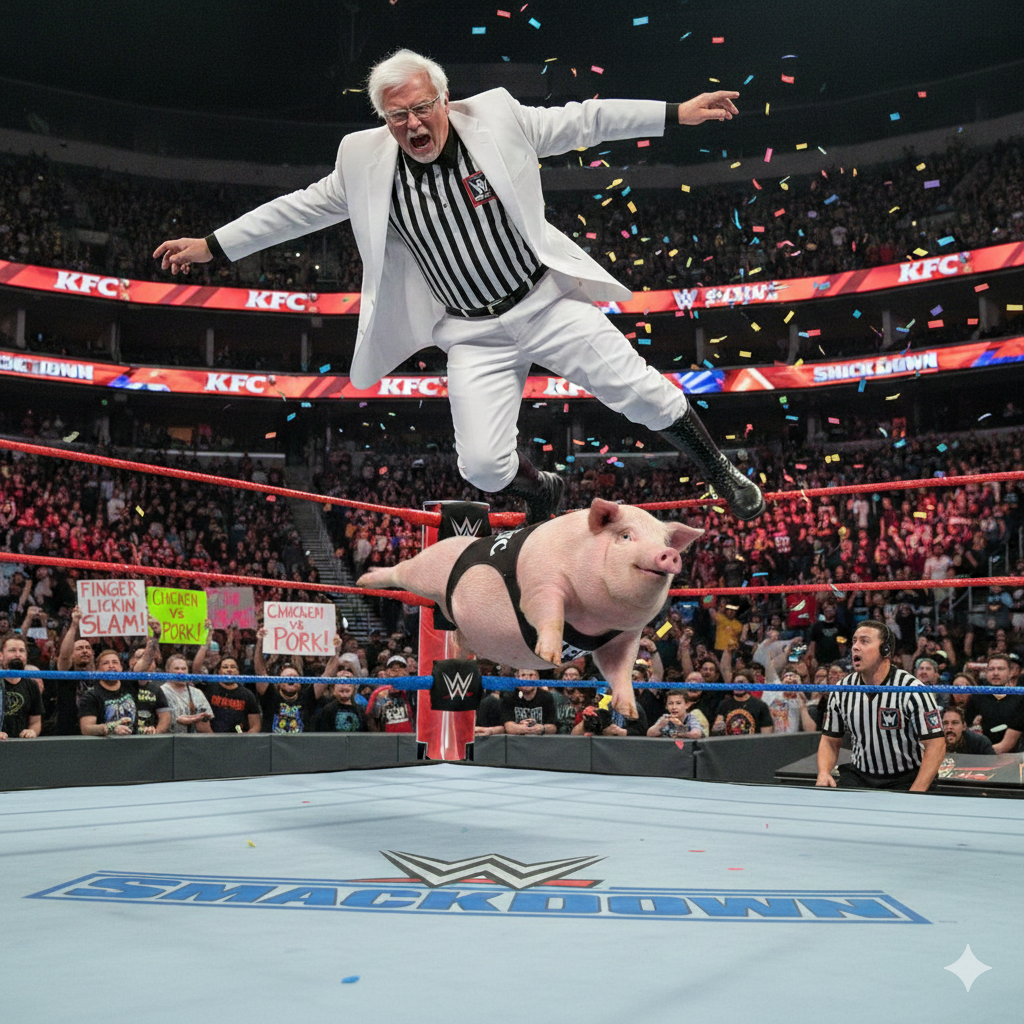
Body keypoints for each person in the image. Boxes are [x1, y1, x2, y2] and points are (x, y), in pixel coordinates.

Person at [153, 49, 763, 523]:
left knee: (643, 393)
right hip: (472, 333)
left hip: (544, 302)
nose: (414, 124)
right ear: (383, 120)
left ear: (445, 99)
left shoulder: (497, 116)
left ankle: (719, 471)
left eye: (422, 108)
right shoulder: (362, 162)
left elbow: (584, 120)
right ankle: (543, 488)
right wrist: (213, 245)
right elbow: (299, 208)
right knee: (484, 467)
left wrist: (675, 113)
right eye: (398, 115)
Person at [816, 622, 946, 792]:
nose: (855, 647)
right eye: (854, 641)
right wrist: (824, 772)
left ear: (885, 650)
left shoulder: (911, 689)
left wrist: (916, 792)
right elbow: (830, 740)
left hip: (905, 778)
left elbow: (936, 744)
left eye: (864, 641)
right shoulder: (842, 689)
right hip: (860, 776)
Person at [964, 654, 1024, 754]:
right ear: (986, 673)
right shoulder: (976, 697)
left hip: (1010, 759)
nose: (995, 673)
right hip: (977, 756)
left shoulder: (1019, 699)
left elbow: (1007, 744)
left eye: (1000, 669)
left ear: (1010, 673)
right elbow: (966, 730)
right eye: (991, 669)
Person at [0, 634, 42, 739]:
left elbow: (36, 721)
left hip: (22, 746)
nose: (18, 655)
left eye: (22, 651)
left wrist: (32, 731)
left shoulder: (32, 685)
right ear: (1, 655)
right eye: (12, 650)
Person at [160, 652, 214, 734]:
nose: (180, 672)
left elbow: (205, 725)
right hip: (167, 740)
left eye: (183, 669)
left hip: (193, 741)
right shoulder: (161, 691)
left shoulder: (197, 693)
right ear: (168, 670)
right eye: (176, 668)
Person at [502, 670, 557, 735]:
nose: (527, 679)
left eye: (531, 675)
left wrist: (542, 728)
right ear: (517, 678)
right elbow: (508, 727)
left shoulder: (546, 697)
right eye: (523, 675)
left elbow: (553, 727)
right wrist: (522, 728)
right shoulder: (509, 697)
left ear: (537, 678)